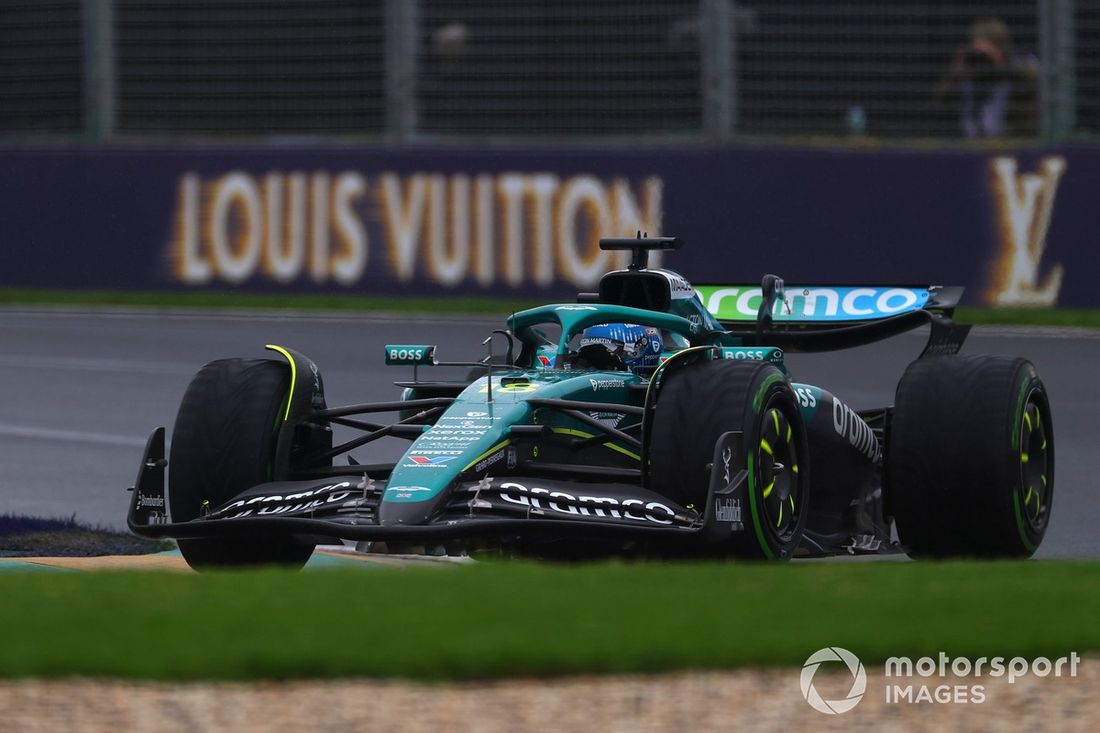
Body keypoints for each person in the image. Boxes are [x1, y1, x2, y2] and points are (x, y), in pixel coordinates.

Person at [934, 18, 1038, 139]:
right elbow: (940, 99)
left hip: (1012, 141)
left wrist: (1001, 64)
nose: (983, 58)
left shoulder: (1022, 63)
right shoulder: (970, 70)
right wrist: (955, 73)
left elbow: (1034, 81)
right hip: (970, 142)